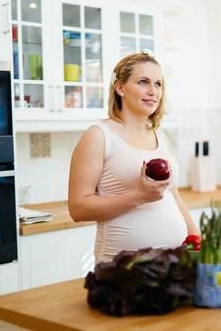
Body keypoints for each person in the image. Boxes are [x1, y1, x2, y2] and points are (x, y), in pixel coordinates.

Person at [68, 51, 199, 263]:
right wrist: (139, 196)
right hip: (122, 270)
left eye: (158, 84)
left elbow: (172, 196)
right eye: (143, 82)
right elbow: (78, 208)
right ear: (120, 88)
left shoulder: (159, 135)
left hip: (174, 264)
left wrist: (197, 239)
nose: (153, 91)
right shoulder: (99, 135)